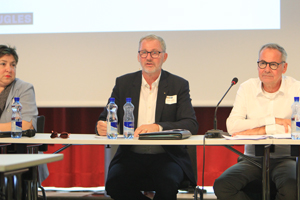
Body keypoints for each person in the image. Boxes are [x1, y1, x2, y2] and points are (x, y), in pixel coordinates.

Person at [95, 34, 198, 200]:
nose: (148, 58)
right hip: (131, 156)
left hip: (167, 156)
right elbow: (105, 118)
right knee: (114, 184)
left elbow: (190, 123)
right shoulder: (124, 83)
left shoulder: (178, 85)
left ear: (164, 57)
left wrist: (158, 127)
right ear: (138, 57)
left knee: (168, 183)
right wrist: (101, 125)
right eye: (144, 53)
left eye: (155, 53)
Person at [213, 43, 300, 200]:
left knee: (292, 187)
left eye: (273, 64)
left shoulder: (296, 88)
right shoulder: (247, 88)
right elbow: (232, 126)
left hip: (286, 158)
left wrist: (261, 130)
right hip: (252, 159)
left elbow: (295, 128)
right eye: (262, 63)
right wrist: (273, 122)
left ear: (284, 67)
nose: (266, 69)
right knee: (222, 185)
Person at [0, 45, 49, 182]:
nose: (9, 69)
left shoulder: (24, 88)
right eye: (3, 64)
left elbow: (27, 125)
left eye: (13, 65)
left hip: (16, 153)